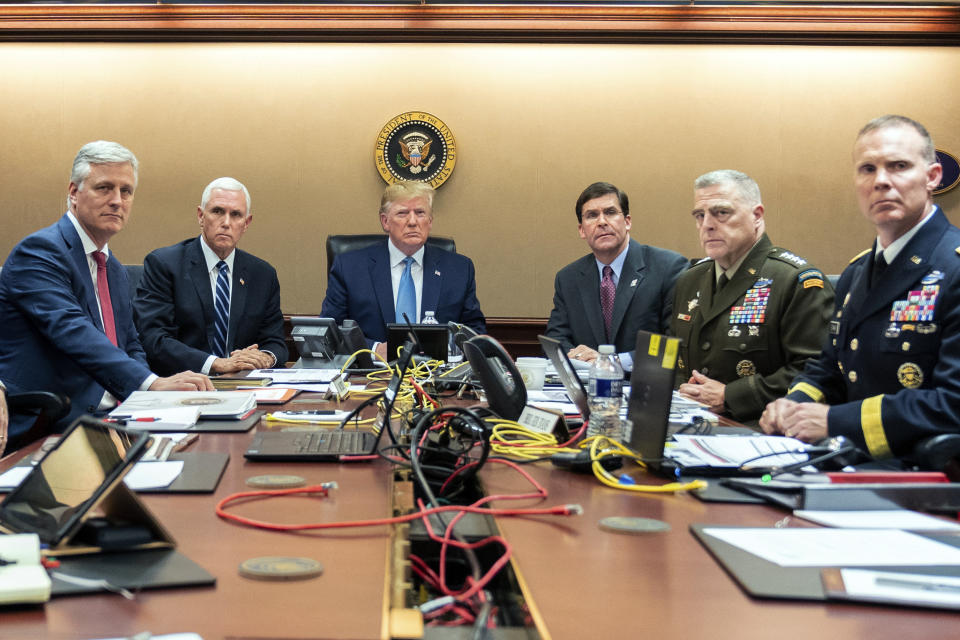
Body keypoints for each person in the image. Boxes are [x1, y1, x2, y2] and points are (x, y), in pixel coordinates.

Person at [761, 115, 960, 459]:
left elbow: (953, 403)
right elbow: (829, 369)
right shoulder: (856, 273)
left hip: (925, 478)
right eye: (868, 169)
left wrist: (837, 421)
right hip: (849, 463)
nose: (881, 181)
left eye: (898, 166)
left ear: (932, 177)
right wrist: (792, 405)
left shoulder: (953, 266)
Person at [0, 141, 212, 444]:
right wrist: (150, 384)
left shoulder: (111, 266)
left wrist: (148, 399)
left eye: (126, 191)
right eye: (104, 188)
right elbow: (74, 332)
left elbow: (129, 343)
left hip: (116, 417)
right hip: (54, 424)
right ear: (73, 193)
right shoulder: (41, 252)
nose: (117, 201)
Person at [670, 170, 834, 422]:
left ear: (757, 216)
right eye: (700, 215)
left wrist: (731, 396)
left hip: (759, 428)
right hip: (688, 423)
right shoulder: (689, 280)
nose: (707, 224)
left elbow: (815, 372)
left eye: (721, 212)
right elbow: (674, 356)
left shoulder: (794, 280)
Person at [134, 177, 288, 376]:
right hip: (183, 384)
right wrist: (216, 364)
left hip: (243, 385)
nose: (226, 223)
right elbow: (153, 338)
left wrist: (265, 357)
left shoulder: (263, 275)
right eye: (217, 211)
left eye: (236, 215)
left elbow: (275, 341)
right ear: (201, 215)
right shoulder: (164, 264)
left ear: (246, 223)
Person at [321, 181, 486, 359]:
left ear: (430, 221)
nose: (413, 222)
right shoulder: (350, 267)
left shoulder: (459, 269)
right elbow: (330, 330)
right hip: (370, 378)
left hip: (436, 377)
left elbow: (473, 331)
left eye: (420, 213)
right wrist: (374, 349)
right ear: (385, 221)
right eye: (403, 213)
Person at [544, 181, 687, 368]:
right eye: (592, 216)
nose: (602, 222)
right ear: (582, 230)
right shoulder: (568, 278)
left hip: (644, 386)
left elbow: (675, 342)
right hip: (587, 385)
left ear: (627, 222)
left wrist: (612, 362)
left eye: (610, 212)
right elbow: (556, 338)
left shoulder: (667, 268)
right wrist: (581, 361)